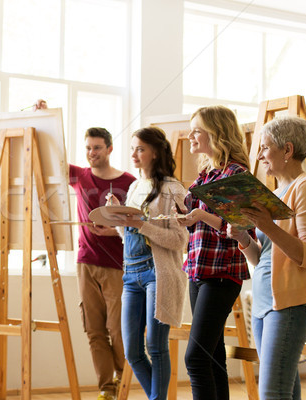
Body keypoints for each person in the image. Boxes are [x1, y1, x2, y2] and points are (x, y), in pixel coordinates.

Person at [227, 116, 306, 400]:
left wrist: (268, 227)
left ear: (287, 150)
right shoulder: (273, 195)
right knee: (285, 392)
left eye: (264, 148)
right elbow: (264, 259)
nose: (259, 157)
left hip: (291, 305)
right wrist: (244, 239)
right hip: (264, 303)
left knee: (272, 393)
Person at [176, 105, 253, 400]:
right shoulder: (205, 174)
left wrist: (200, 216)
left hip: (223, 275)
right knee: (213, 358)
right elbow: (197, 219)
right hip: (198, 272)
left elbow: (244, 228)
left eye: (196, 129)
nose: (190, 135)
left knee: (195, 358)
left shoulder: (236, 173)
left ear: (216, 133)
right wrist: (185, 215)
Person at [107, 127, 188, 400]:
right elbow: (128, 235)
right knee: (131, 351)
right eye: (132, 148)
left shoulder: (173, 189)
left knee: (156, 346)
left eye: (140, 149)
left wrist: (141, 224)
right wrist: (120, 216)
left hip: (158, 274)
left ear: (155, 152)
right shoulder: (133, 187)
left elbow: (180, 241)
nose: (133, 154)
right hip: (131, 273)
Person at [68, 127, 136, 400]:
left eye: (96, 147)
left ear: (109, 149)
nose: (91, 153)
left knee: (118, 329)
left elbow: (139, 223)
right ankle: (105, 389)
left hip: (118, 265)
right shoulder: (80, 177)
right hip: (86, 262)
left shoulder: (130, 182)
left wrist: (113, 230)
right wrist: (41, 112)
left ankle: (123, 380)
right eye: (87, 148)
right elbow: (51, 154)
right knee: (94, 330)